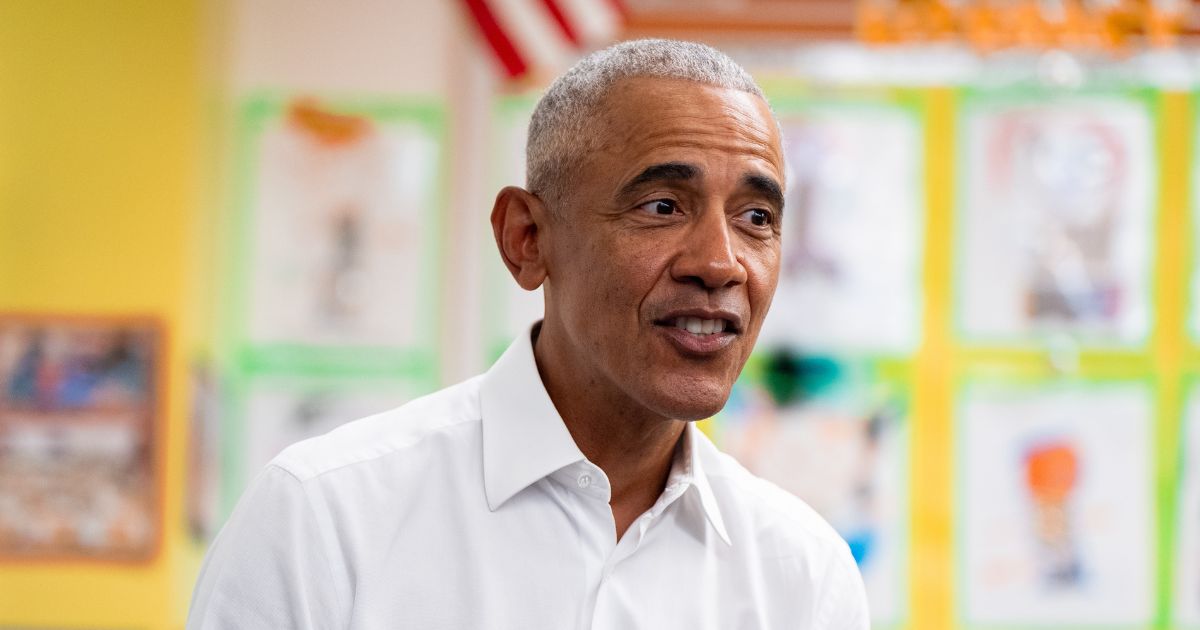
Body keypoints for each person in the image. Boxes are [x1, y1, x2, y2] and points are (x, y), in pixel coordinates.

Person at [187, 38, 869, 629]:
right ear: (527, 239)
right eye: (663, 206)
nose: (720, 263)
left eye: (756, 218)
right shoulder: (324, 516)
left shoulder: (803, 575)